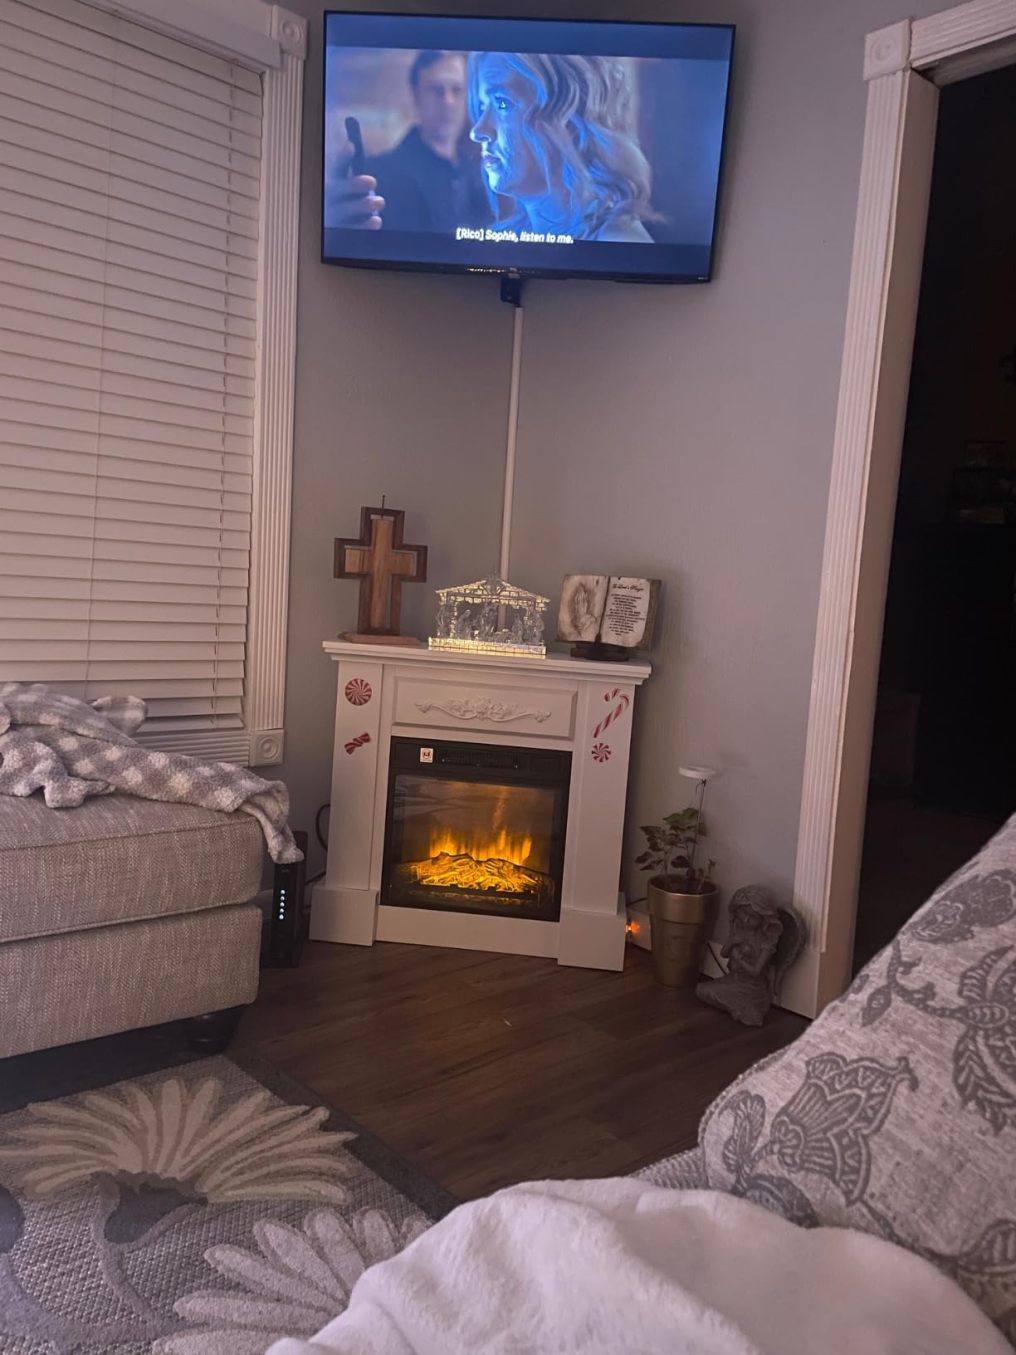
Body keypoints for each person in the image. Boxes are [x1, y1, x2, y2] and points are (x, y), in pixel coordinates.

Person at [467, 52, 656, 244]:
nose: (477, 131)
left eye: (502, 103)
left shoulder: (620, 245)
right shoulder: (505, 239)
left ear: (570, 120)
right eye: (482, 107)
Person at [325, 50, 491, 234]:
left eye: (457, 90)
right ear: (416, 97)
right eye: (436, 90)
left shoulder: (481, 177)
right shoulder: (376, 177)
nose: (448, 102)